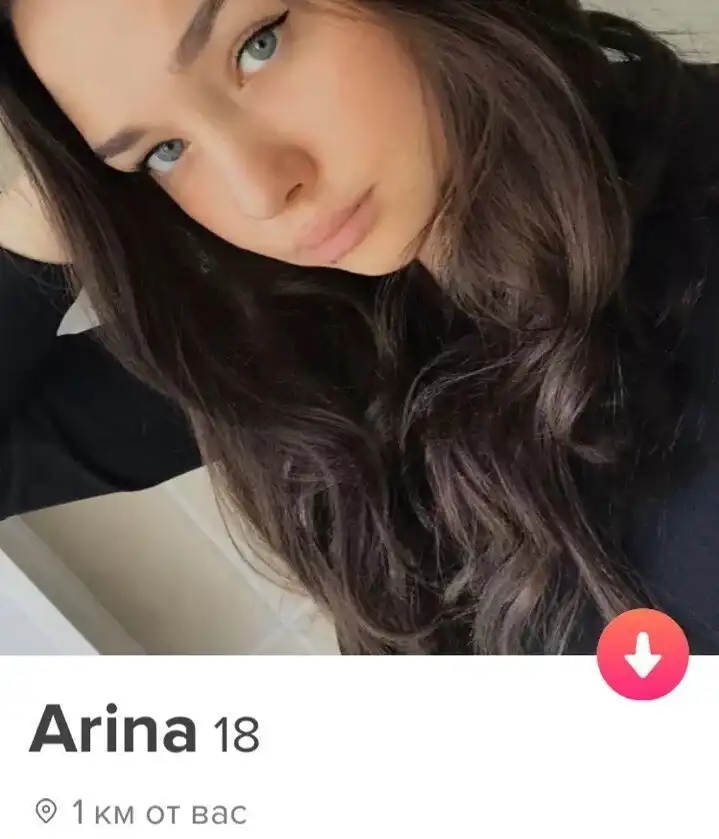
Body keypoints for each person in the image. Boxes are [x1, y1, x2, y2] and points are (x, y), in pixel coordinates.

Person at [1, 0, 719, 655]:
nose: (259, 193)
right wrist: (48, 220)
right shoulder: (311, 337)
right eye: (163, 152)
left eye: (258, 44)